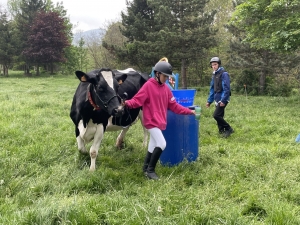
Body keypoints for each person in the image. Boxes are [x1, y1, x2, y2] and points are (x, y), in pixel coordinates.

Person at [123, 61, 196, 180]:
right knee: (162, 144)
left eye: (167, 76)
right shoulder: (148, 86)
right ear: (157, 74)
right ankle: (151, 170)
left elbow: (174, 106)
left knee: (152, 146)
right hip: (151, 121)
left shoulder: (166, 89)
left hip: (160, 122)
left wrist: (189, 111)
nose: (166, 79)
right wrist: (126, 103)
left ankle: (145, 168)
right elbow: (137, 100)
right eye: (165, 76)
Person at [206, 57, 234, 138]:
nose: (214, 66)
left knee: (216, 115)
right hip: (216, 98)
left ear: (218, 64)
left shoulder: (224, 74)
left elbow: (227, 88)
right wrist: (209, 101)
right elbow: (212, 88)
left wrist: (223, 100)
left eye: (215, 64)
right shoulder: (214, 74)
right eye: (212, 65)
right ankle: (221, 131)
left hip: (223, 98)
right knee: (220, 116)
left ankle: (229, 129)